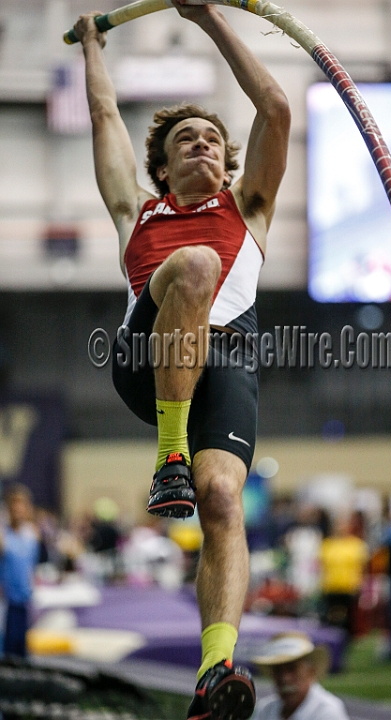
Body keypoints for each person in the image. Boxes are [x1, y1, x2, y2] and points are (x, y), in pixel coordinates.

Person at [73, 1, 290, 717]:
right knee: (195, 266)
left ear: (227, 160)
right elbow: (105, 118)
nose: (202, 145)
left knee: (224, 498)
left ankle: (215, 667)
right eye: (186, 140)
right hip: (146, 357)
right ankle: (169, 454)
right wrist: (93, 49)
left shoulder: (249, 207)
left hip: (226, 366)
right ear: (163, 167)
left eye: (212, 139)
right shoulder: (136, 211)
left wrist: (206, 19)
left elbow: (277, 107)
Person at [251, 632, 349, 720]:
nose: (285, 678)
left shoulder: (328, 712)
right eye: (278, 670)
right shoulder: (265, 709)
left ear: (311, 671)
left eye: (292, 669)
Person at [0, 484, 40, 658]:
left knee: (22, 648)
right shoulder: (3, 536)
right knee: (7, 648)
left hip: (25, 600)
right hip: (7, 601)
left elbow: (31, 566)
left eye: (21, 505)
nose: (18, 509)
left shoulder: (32, 534)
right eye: (14, 505)